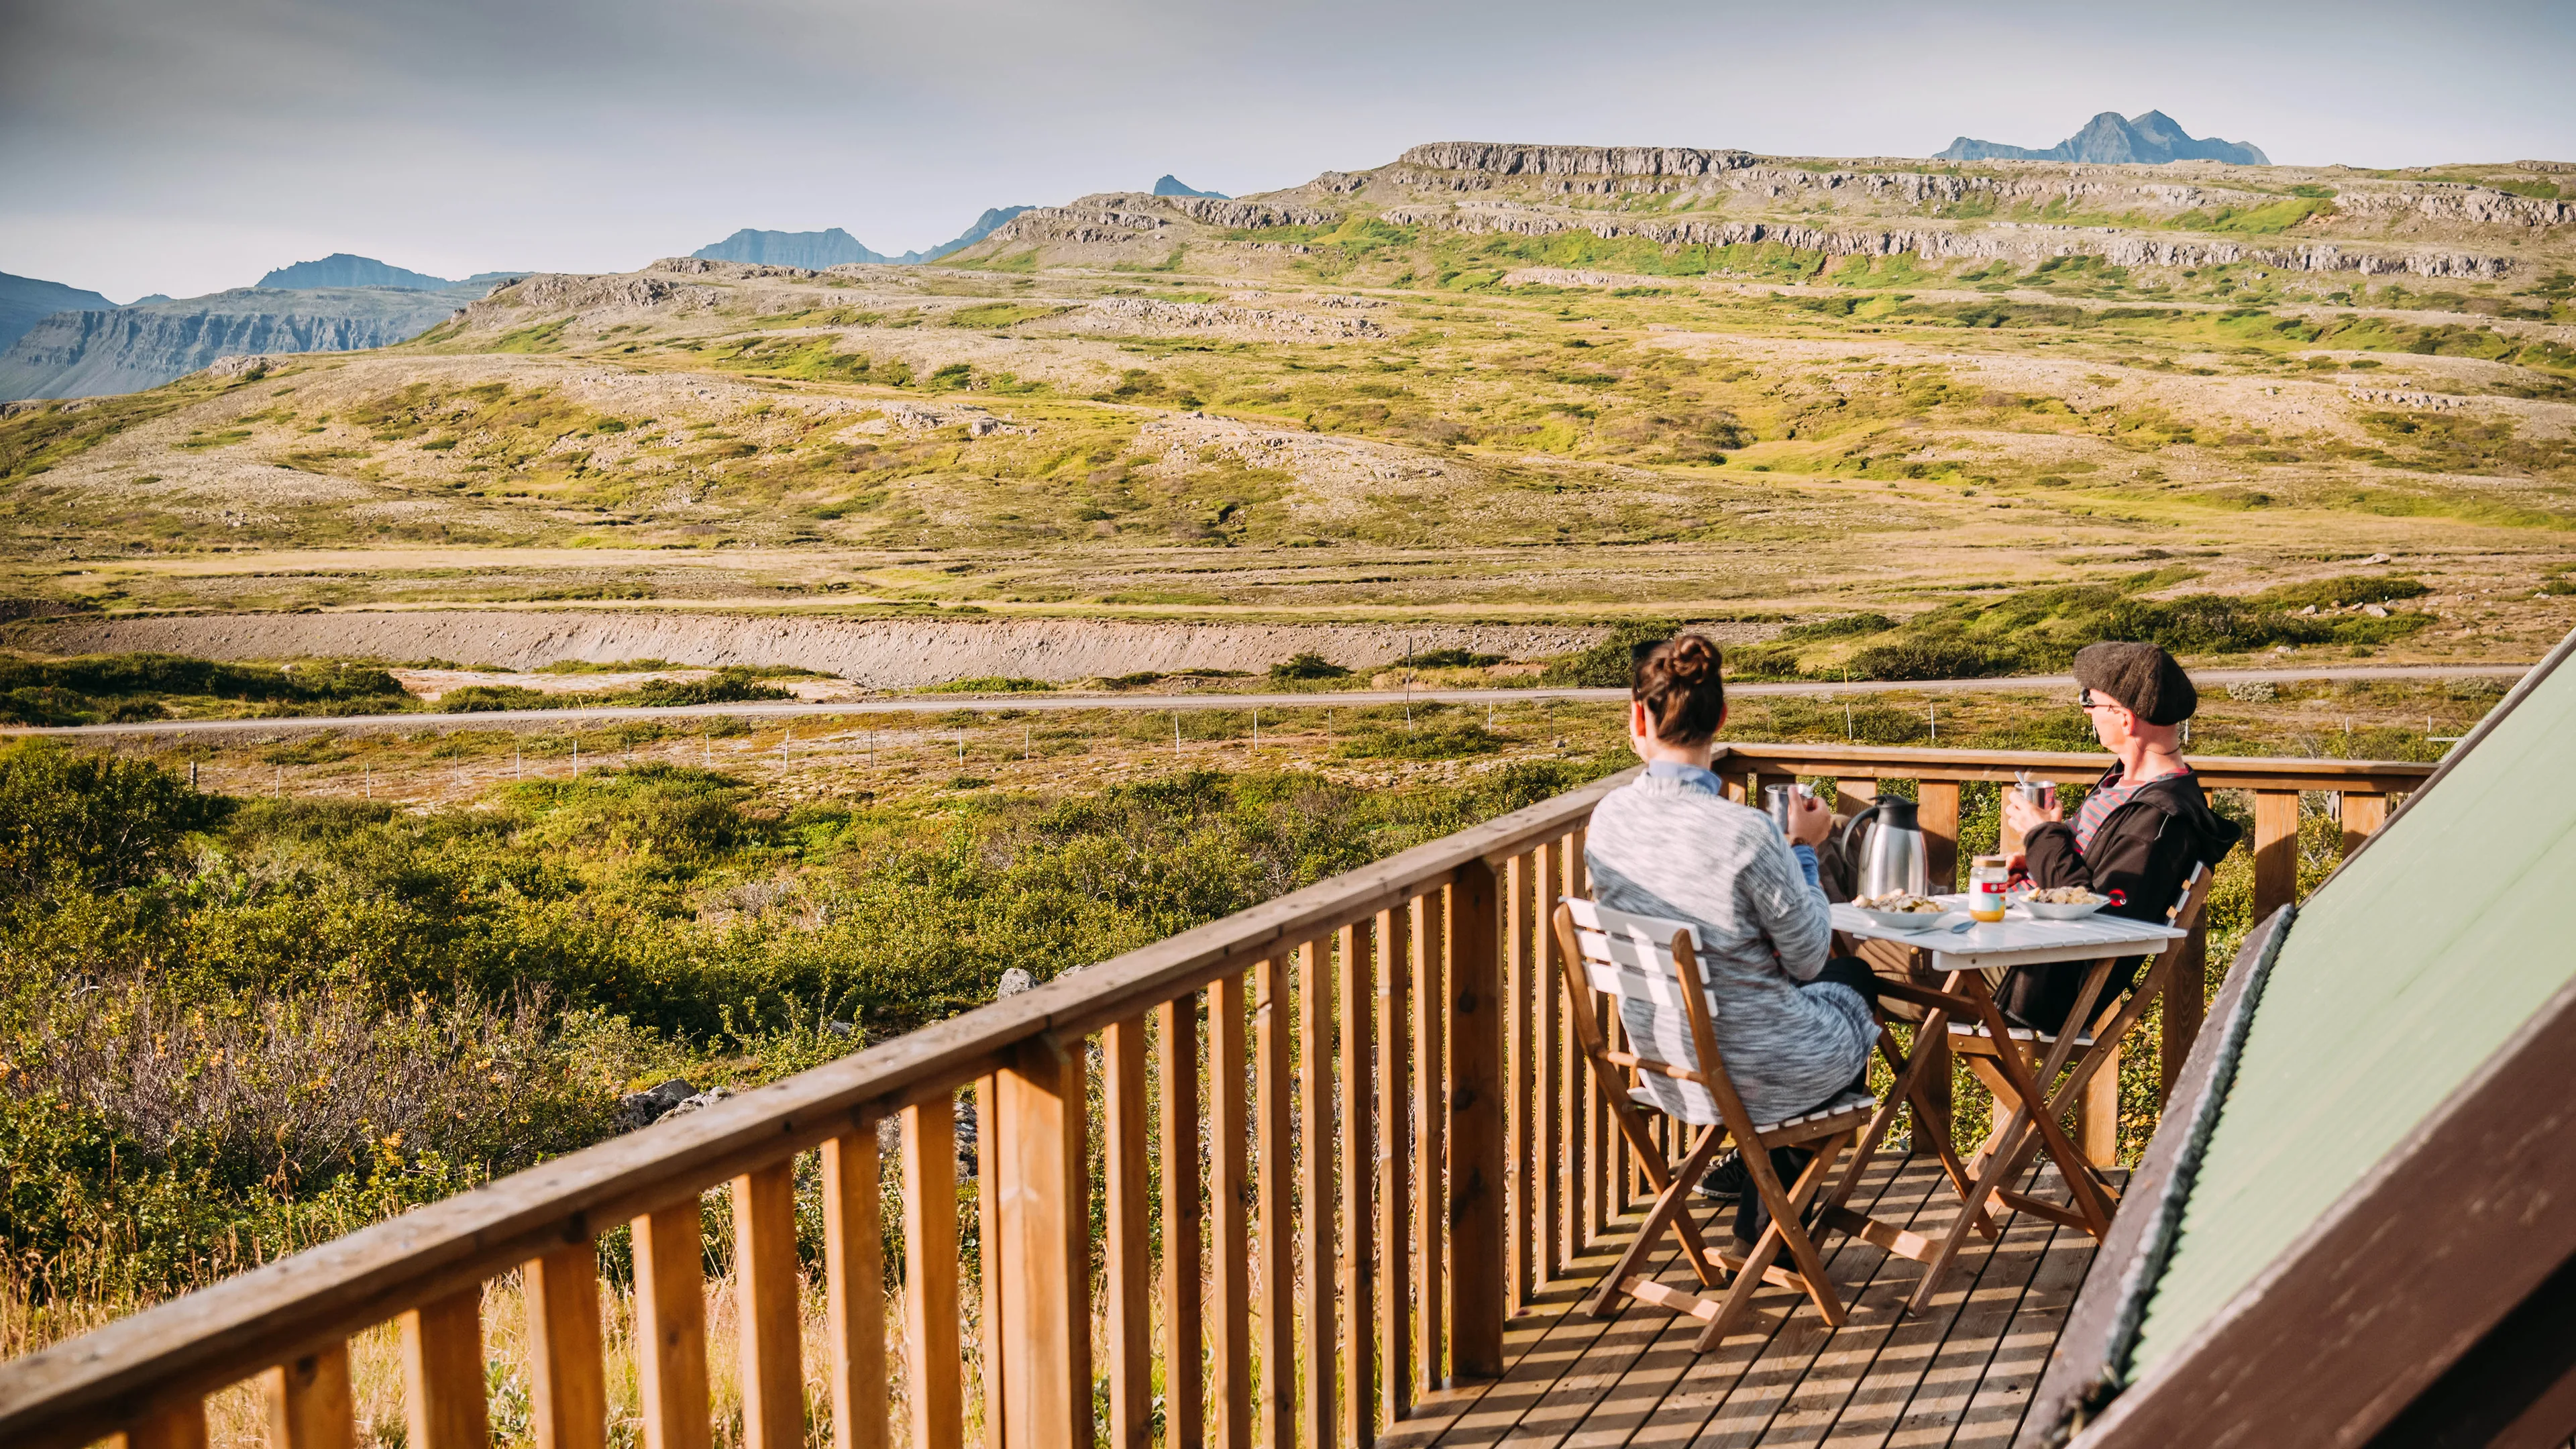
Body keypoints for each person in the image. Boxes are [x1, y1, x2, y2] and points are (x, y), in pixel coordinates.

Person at [1582, 635, 1878, 1246]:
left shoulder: (1609, 818)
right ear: (1720, 719)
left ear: (1637, 718)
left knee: (1834, 1002)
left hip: (1670, 1065)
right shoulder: (1745, 833)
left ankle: (1765, 1210)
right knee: (1856, 983)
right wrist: (1803, 846)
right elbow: (1806, 956)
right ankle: (1769, 1227)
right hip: (1759, 1071)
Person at [1997, 641, 2241, 1032]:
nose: (2085, 711)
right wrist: (2040, 858)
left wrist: (2041, 834)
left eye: (2089, 701)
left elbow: (2093, 915)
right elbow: (2088, 873)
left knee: (1878, 967)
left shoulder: (2161, 821)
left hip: (2030, 984)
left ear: (2126, 720)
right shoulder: (2125, 785)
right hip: (2016, 944)